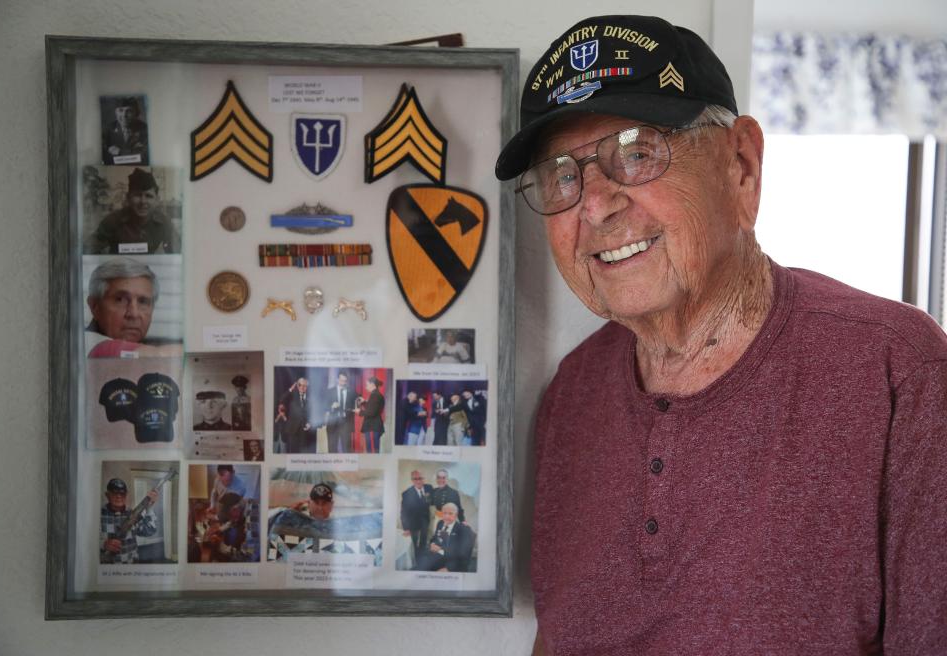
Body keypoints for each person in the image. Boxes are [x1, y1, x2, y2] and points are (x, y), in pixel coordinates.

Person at [494, 15, 947, 654]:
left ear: (740, 167)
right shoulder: (571, 396)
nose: (593, 204)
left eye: (637, 150)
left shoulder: (901, 369)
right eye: (563, 175)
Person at [85, 258, 182, 358]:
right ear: (94, 306)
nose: (134, 314)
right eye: (120, 300)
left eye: (143, 302)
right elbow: (161, 356)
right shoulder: (89, 343)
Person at [86, 167, 180, 254]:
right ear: (128, 198)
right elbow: (88, 249)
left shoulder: (163, 223)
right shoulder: (113, 221)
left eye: (149, 196)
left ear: (157, 200)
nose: (143, 201)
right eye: (137, 195)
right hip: (119, 269)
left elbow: (177, 253)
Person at [100, 478, 157, 564]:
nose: (119, 496)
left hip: (132, 565)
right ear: (107, 495)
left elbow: (150, 531)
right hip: (107, 568)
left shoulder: (133, 514)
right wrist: (102, 544)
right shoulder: (98, 514)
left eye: (122, 493)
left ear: (126, 495)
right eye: (114, 492)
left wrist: (149, 507)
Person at [416, 502, 475, 573]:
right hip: (436, 556)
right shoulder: (440, 523)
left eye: (450, 513)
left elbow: (463, 555)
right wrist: (432, 544)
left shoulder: (463, 530)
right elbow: (436, 538)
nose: (446, 516)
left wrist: (449, 569)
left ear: (456, 515)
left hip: (451, 563)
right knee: (418, 568)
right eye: (444, 513)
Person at [102, 96, 149, 165]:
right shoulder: (109, 128)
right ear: (115, 112)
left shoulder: (144, 129)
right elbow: (104, 157)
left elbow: (143, 157)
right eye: (120, 110)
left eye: (129, 111)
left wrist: (120, 152)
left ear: (136, 113)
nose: (124, 115)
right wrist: (132, 152)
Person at [399, 470, 433, 561]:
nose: (418, 481)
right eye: (415, 479)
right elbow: (403, 513)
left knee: (424, 539)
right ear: (412, 480)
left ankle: (422, 556)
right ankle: (414, 558)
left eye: (420, 478)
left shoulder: (429, 488)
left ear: (423, 479)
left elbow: (431, 500)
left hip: (425, 519)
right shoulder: (406, 494)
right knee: (413, 542)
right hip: (412, 521)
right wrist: (406, 528)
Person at [276, 377, 315, 453]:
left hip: (305, 431)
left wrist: (310, 423)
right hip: (293, 430)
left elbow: (313, 412)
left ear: (307, 387)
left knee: (304, 453)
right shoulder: (292, 396)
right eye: (300, 385)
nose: (302, 387)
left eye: (305, 385)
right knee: (293, 453)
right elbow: (281, 400)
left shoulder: (311, 397)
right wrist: (290, 389)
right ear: (297, 386)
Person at [325, 371, 358, 453]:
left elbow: (358, 400)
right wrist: (331, 407)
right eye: (341, 380)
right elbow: (323, 407)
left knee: (347, 449)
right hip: (333, 424)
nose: (343, 383)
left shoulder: (352, 392)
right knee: (332, 449)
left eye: (345, 381)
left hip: (346, 424)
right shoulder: (330, 392)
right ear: (337, 379)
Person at [357, 376, 385, 453]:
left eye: (367, 384)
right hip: (373, 427)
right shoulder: (376, 394)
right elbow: (372, 409)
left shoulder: (375, 395)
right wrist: (365, 402)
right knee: (372, 451)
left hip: (372, 427)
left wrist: (359, 412)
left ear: (372, 384)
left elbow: (371, 413)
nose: (366, 387)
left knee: (372, 452)